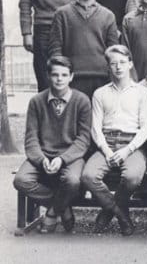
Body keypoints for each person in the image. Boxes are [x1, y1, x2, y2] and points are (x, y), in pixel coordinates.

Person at [13, 56, 91, 234]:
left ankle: (52, 212)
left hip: (71, 156)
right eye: (55, 75)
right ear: (48, 76)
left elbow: (83, 139)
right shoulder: (36, 101)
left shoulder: (82, 101)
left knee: (72, 181)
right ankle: (63, 207)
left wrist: (62, 159)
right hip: (43, 154)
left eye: (64, 75)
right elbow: (31, 138)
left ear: (71, 76)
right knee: (21, 180)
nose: (59, 79)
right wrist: (41, 160)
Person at [82, 45, 147, 236]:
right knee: (88, 176)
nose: (118, 67)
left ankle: (107, 212)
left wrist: (127, 150)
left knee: (132, 177)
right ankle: (121, 214)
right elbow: (95, 128)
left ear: (130, 64)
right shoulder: (100, 93)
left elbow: (145, 128)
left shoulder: (142, 92)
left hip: (132, 144)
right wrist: (106, 151)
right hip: (107, 143)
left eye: (122, 62)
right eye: (113, 63)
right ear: (108, 67)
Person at [48, 0, 119, 97]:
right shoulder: (62, 14)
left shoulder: (108, 15)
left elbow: (113, 51)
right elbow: (55, 49)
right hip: (72, 79)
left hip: (101, 79)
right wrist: (62, 74)